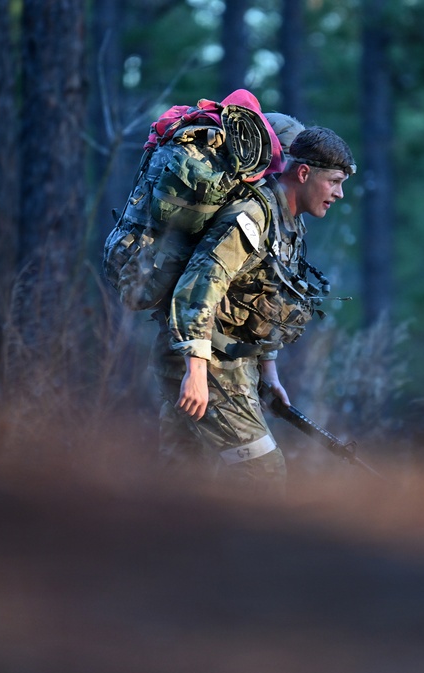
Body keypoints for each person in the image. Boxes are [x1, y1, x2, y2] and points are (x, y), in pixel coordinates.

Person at [153, 120, 356, 491]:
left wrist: (270, 372)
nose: (339, 194)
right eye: (335, 182)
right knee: (262, 472)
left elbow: (264, 299)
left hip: (226, 358)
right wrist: (195, 370)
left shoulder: (288, 223)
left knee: (183, 477)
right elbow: (200, 285)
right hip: (206, 359)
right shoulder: (253, 216)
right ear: (304, 172)